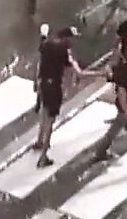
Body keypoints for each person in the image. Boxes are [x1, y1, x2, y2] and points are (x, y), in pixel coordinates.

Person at [34, 27, 103, 168]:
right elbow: (80, 73)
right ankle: (43, 157)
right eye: (73, 38)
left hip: (43, 83)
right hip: (54, 87)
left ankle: (39, 142)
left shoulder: (46, 44)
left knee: (44, 112)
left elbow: (40, 63)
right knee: (50, 121)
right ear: (67, 38)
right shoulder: (64, 51)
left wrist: (37, 82)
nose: (74, 42)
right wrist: (102, 74)